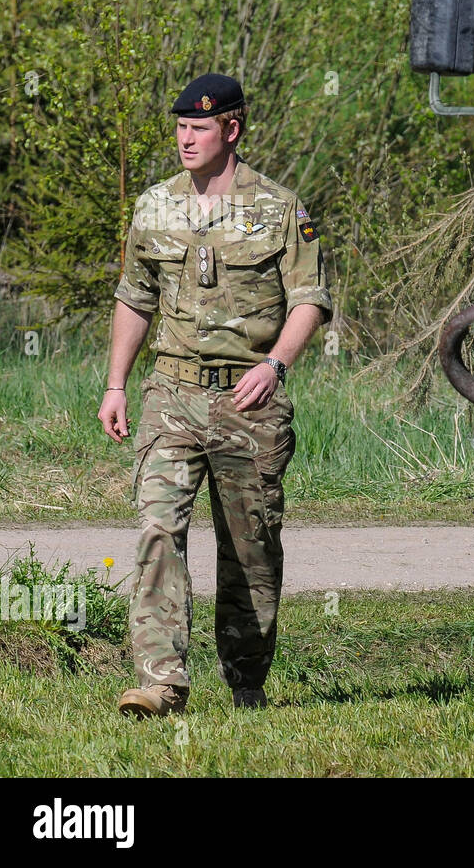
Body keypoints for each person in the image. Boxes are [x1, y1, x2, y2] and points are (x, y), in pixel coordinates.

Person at [96, 73, 332, 717]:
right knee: (156, 528)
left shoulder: (282, 208)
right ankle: (160, 679)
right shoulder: (154, 206)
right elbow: (134, 297)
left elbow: (311, 300)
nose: (186, 139)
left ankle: (247, 677)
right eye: (179, 127)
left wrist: (277, 366)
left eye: (199, 127)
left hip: (248, 403)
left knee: (249, 544)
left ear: (232, 129)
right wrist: (116, 384)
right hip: (170, 392)